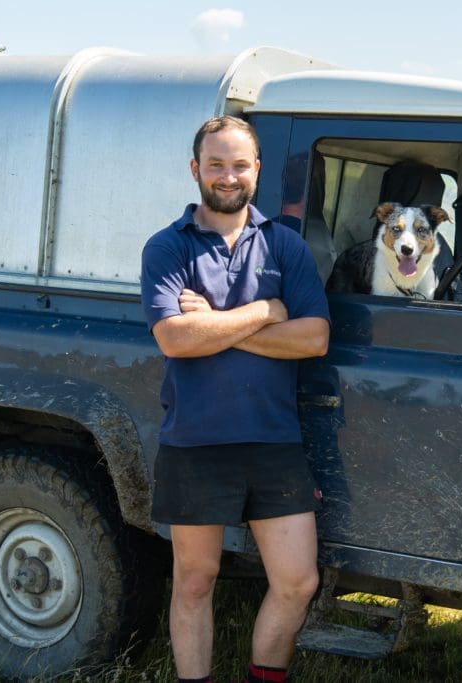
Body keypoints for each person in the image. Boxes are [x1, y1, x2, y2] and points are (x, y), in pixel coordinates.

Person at [141, 115, 330, 683]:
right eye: (216, 164)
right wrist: (266, 312)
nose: (228, 176)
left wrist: (216, 325)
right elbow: (175, 338)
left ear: (257, 170)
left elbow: (314, 338)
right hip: (196, 440)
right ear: (195, 169)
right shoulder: (167, 247)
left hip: (274, 440)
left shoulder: (285, 245)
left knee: (298, 582)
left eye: (239, 164)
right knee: (195, 581)